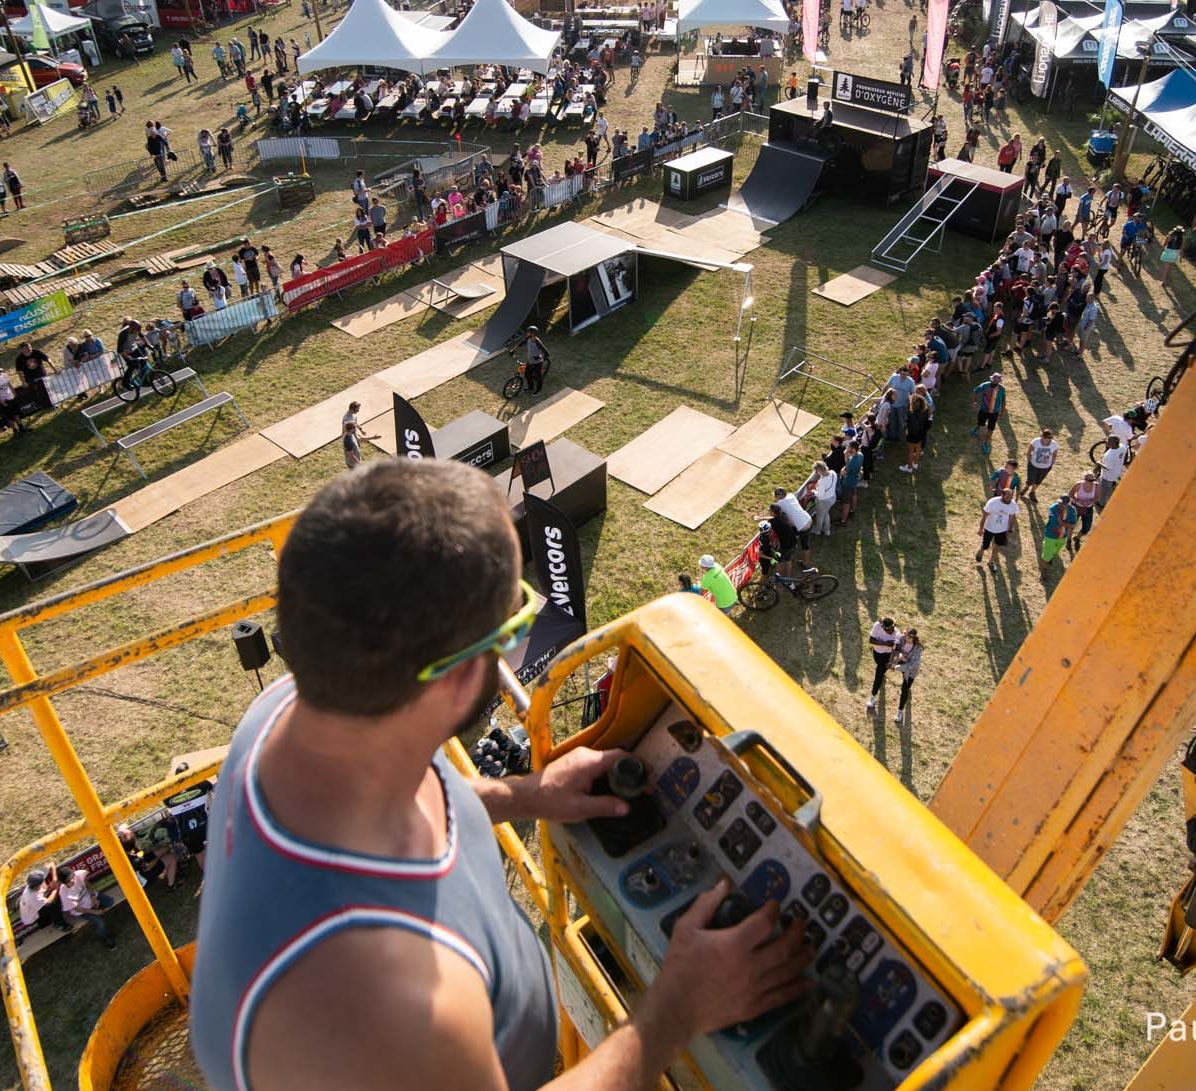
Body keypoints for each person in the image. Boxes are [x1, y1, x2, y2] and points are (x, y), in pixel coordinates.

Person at [188, 461, 811, 1091]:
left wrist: (528, 795)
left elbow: (405, 799)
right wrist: (678, 1011)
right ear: (459, 679)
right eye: (514, 623)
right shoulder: (391, 1006)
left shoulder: (301, 708)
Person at [58, 865, 116, 948]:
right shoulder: (63, 893)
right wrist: (94, 912)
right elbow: (78, 909)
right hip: (83, 910)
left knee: (110, 901)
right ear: (63, 883)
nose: (72, 880)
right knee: (100, 923)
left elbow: (87, 884)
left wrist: (93, 896)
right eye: (69, 880)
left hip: (90, 898)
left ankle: (98, 908)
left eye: (72, 877)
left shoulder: (78, 875)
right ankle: (107, 939)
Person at [864, 617, 902, 716]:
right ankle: (882, 674)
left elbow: (897, 650)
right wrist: (885, 643)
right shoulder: (877, 626)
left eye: (893, 628)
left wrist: (891, 661)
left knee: (879, 673)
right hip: (877, 653)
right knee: (880, 668)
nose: (891, 631)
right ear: (884, 628)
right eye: (889, 630)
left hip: (887, 656)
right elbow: (871, 640)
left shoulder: (897, 634)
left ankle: (872, 697)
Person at [977, 486, 1019, 569]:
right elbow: (984, 516)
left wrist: (1010, 529)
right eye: (1007, 497)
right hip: (989, 528)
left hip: (1002, 530)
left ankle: (991, 561)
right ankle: (982, 550)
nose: (1009, 500)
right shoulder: (993, 502)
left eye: (1011, 497)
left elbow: (1012, 517)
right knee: (986, 545)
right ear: (1002, 495)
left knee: (997, 545)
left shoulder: (1012, 505)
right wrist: (981, 528)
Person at [891, 629, 924, 725]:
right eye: (906, 637)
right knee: (905, 686)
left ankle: (900, 711)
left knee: (904, 689)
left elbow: (914, 665)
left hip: (911, 671)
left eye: (909, 638)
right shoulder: (902, 639)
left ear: (913, 638)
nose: (907, 639)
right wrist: (896, 660)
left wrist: (898, 666)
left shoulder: (918, 649)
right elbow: (897, 650)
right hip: (902, 663)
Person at [1022, 429, 1060, 501]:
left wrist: (1052, 463)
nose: (1046, 439)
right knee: (1030, 480)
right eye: (1045, 437)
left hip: (1045, 467)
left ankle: (1032, 492)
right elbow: (1029, 452)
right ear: (1042, 436)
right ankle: (1026, 487)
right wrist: (1029, 462)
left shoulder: (1054, 444)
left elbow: (1055, 454)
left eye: (1049, 438)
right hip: (1033, 465)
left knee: (1038, 481)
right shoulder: (1036, 442)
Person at [1041, 494, 1077, 568]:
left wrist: (1062, 523)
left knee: (1055, 551)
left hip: (1063, 536)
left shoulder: (1072, 510)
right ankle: (1044, 571)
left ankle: (1050, 557)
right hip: (1050, 535)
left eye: (1062, 504)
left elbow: (1072, 525)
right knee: (1046, 554)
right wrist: (1065, 524)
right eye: (1059, 502)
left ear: (1067, 504)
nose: (1059, 504)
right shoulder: (1053, 508)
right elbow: (1056, 523)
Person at [521, 327, 550, 396]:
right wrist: (513, 349)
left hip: (538, 362)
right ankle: (530, 388)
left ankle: (538, 390)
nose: (527, 333)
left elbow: (547, 353)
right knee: (527, 375)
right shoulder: (528, 338)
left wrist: (539, 357)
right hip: (530, 361)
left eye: (528, 332)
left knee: (538, 377)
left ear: (532, 334)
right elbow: (521, 343)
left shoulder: (537, 342)